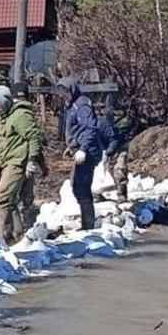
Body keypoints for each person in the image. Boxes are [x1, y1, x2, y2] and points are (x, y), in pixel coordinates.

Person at [0, 84, 43, 244]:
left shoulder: (20, 116)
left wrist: (32, 161)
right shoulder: (3, 120)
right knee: (4, 198)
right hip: (5, 163)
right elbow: (2, 146)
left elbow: (34, 137)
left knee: (2, 197)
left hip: (17, 163)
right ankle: (18, 234)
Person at [57, 76, 105, 230]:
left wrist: (83, 149)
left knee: (82, 188)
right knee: (77, 186)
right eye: (61, 93)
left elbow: (90, 128)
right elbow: (76, 129)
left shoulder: (82, 106)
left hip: (88, 151)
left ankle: (88, 225)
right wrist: (71, 146)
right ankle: (87, 222)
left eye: (65, 92)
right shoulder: (71, 105)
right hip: (80, 149)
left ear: (71, 90)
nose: (63, 96)